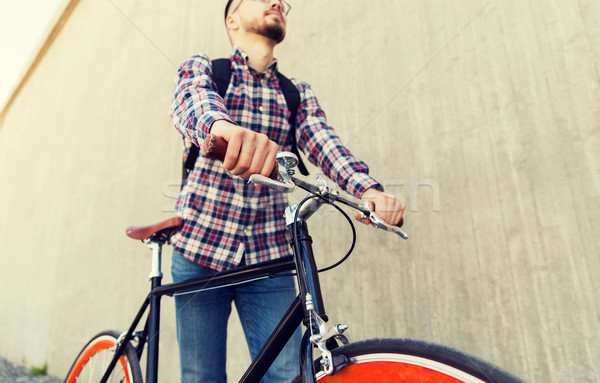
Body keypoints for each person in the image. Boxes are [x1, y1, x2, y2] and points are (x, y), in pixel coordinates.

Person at [169, 0, 405, 381]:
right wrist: (220, 128)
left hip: (269, 258)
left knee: (286, 374)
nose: (277, 2)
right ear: (232, 19)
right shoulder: (207, 69)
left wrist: (368, 191)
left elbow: (324, 142)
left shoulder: (295, 93)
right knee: (200, 375)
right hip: (200, 247)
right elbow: (191, 99)